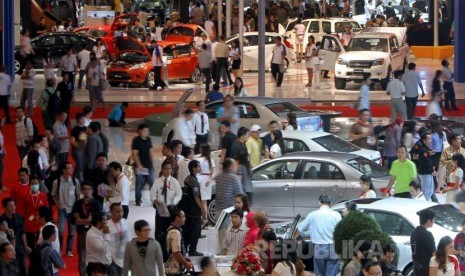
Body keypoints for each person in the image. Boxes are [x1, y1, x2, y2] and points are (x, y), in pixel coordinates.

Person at [296, 195, 341, 276]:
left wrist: (292, 239)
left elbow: (299, 229)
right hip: (332, 248)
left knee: (319, 274)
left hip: (319, 248)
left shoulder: (312, 215)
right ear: (330, 203)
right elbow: (341, 231)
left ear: (319, 203)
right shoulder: (336, 215)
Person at [73, 182, 102, 276]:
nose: (86, 191)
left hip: (94, 235)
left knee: (95, 258)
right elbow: (75, 221)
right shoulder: (77, 204)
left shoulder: (96, 204)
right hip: (82, 234)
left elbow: (97, 221)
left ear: (92, 191)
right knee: (82, 258)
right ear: (82, 191)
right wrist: (88, 219)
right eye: (84, 189)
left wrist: (82, 220)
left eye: (88, 189)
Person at [51, 161, 80, 256]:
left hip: (72, 209)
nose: (71, 170)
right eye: (68, 168)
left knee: (72, 230)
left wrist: (77, 206)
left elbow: (78, 194)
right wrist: (57, 204)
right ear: (63, 170)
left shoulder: (75, 181)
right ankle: (60, 249)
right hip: (62, 209)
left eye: (71, 168)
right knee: (61, 230)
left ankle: (69, 250)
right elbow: (53, 194)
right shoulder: (57, 182)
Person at [150, 162, 182, 240]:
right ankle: (159, 246)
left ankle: (169, 246)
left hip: (171, 208)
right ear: (162, 169)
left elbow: (179, 194)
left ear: (171, 170)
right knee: (159, 229)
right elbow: (152, 194)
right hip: (160, 208)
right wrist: (155, 200)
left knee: (170, 228)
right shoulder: (157, 181)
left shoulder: (175, 182)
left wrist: (174, 202)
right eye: (166, 168)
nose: (168, 171)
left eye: (169, 169)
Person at [181, 160, 206, 257]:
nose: (200, 168)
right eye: (198, 166)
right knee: (195, 231)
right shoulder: (194, 181)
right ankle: (192, 250)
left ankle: (184, 248)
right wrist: (203, 209)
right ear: (193, 168)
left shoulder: (187, 179)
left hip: (188, 209)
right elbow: (196, 197)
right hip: (194, 210)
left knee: (188, 230)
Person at [2, 198, 28, 275]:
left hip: (19, 249)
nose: (13, 207)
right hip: (7, 251)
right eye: (10, 206)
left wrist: (26, 246)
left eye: (14, 205)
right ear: (4, 207)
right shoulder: (2, 221)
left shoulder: (19, 218)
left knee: (23, 270)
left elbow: (23, 233)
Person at [132, 123, 155, 206]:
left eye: (147, 131)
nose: (146, 132)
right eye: (145, 131)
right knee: (139, 183)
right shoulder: (136, 140)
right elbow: (135, 153)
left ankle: (154, 199)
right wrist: (139, 164)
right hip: (140, 167)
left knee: (152, 182)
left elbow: (151, 151)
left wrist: (152, 164)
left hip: (148, 166)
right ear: (140, 131)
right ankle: (138, 199)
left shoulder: (148, 139)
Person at [165, 209, 194, 275]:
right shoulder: (175, 233)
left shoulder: (170, 228)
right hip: (174, 270)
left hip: (171, 268)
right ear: (177, 218)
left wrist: (184, 258)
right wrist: (186, 264)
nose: (185, 218)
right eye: (183, 216)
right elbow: (176, 253)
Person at [24, 177, 49, 251]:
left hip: (40, 222)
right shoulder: (26, 196)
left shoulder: (43, 195)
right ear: (29, 185)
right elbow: (24, 210)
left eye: (36, 183)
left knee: (40, 242)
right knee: (30, 242)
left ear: (39, 184)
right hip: (29, 222)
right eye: (32, 183)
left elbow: (46, 209)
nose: (34, 185)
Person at [107, 203, 130, 276]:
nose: (120, 214)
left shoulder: (125, 222)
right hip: (112, 261)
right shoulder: (107, 226)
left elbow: (129, 240)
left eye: (121, 211)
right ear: (111, 212)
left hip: (125, 259)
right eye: (117, 212)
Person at [411, 209, 436, 276]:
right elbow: (434, 254)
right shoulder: (428, 235)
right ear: (428, 220)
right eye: (433, 219)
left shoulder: (414, 232)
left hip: (417, 268)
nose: (434, 221)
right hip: (426, 269)